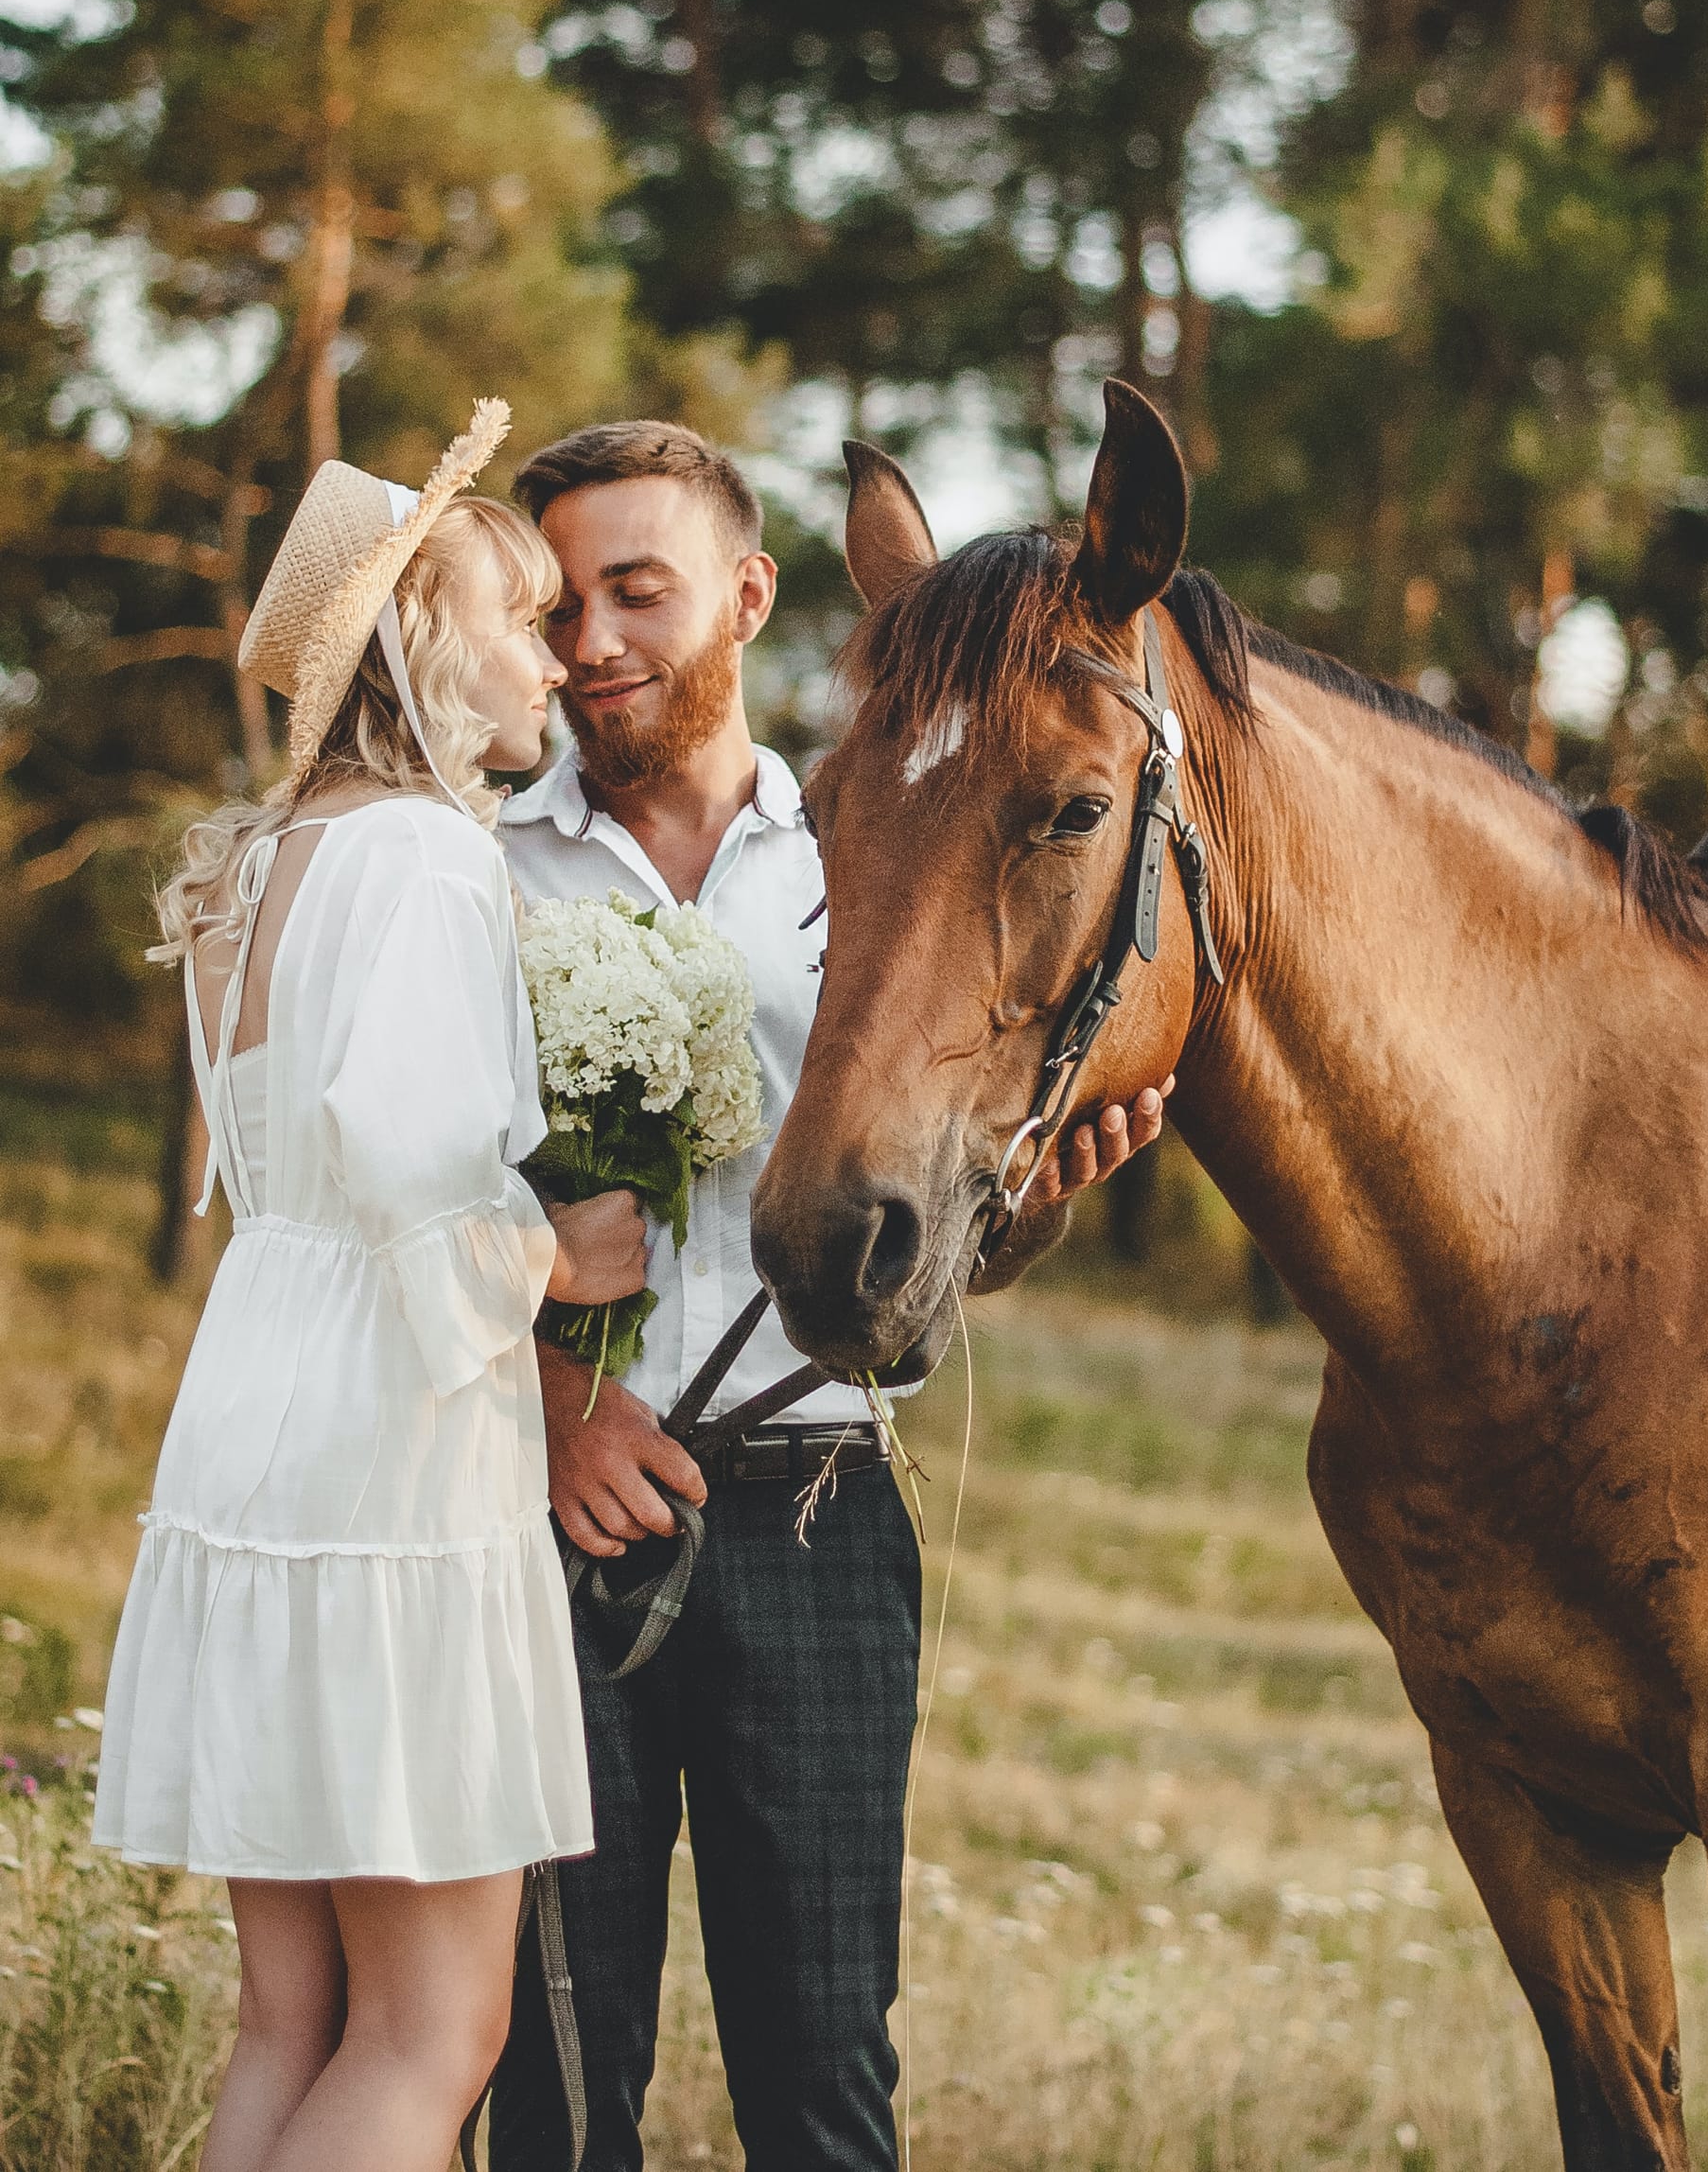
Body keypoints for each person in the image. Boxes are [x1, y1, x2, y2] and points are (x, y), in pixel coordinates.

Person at [491, 418, 1168, 2172]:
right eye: (563, 602)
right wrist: (553, 1410)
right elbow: (403, 1208)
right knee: (561, 2080)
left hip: (819, 1514)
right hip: (552, 1531)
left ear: (747, 593)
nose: (592, 642)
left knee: (825, 2080)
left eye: (639, 591)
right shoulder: (482, 870)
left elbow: (917, 1253)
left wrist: (1030, 1216)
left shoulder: (876, 846)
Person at [93, 403, 652, 2172]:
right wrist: (563, 1257)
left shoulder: (264, 860)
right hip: (390, 1456)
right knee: (433, 2032)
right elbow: (415, 1169)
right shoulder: (424, 855)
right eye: (520, 620)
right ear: (419, 645)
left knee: (296, 2020)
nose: (557, 663)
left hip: (258, 1412)